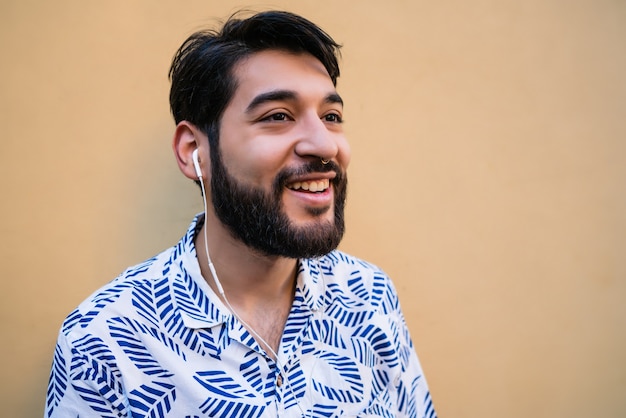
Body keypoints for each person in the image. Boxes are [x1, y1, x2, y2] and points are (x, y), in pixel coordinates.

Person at [45, 10, 436, 418]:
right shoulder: (106, 338)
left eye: (331, 117)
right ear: (194, 152)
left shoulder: (370, 297)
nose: (324, 144)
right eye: (278, 116)